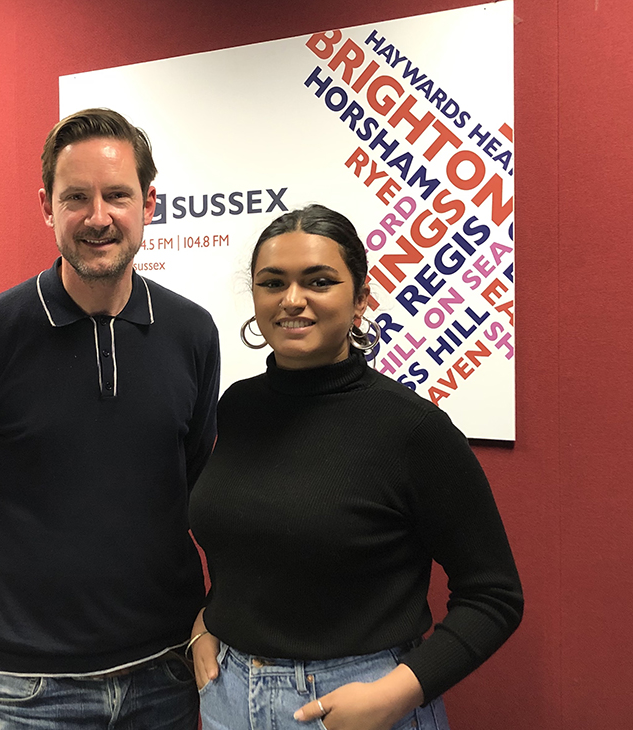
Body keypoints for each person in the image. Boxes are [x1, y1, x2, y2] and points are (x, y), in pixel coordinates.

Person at [0, 108, 220, 730]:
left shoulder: (192, 333)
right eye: (76, 197)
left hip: (165, 677)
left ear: (149, 202)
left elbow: (201, 491)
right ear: (47, 206)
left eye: (117, 195)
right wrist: (22, 624)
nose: (98, 217)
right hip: (29, 692)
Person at [188, 204, 522, 730]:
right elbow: (247, 542)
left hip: (359, 703)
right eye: (272, 283)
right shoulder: (238, 406)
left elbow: (495, 595)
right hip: (228, 697)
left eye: (318, 281)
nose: (293, 300)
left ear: (360, 298)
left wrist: (396, 694)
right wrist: (207, 621)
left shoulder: (412, 429)